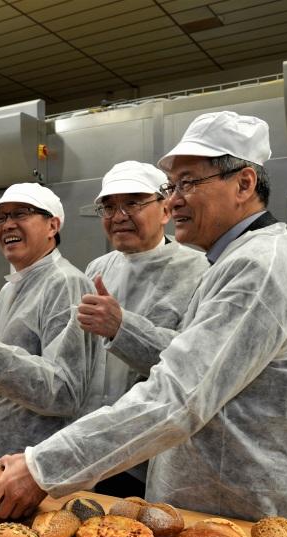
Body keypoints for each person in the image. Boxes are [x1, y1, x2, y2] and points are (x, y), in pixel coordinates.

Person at [0, 111, 287, 530]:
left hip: (242, 510)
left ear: (244, 184)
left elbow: (176, 395)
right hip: (207, 500)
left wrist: (43, 465)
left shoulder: (259, 267)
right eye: (172, 186)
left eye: (188, 183)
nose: (174, 200)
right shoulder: (234, 261)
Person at [0, 183, 102, 465]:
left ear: (52, 225)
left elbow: (63, 391)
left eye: (21, 214)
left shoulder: (65, 283)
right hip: (4, 460)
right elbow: (3, 385)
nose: (7, 225)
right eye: (0, 218)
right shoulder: (12, 288)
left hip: (44, 466)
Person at [78, 161, 208, 497]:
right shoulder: (98, 268)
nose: (119, 215)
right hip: (94, 443)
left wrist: (122, 328)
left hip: (154, 451)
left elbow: (195, 365)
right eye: (108, 206)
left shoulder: (198, 270)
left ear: (165, 210)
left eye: (133, 202)